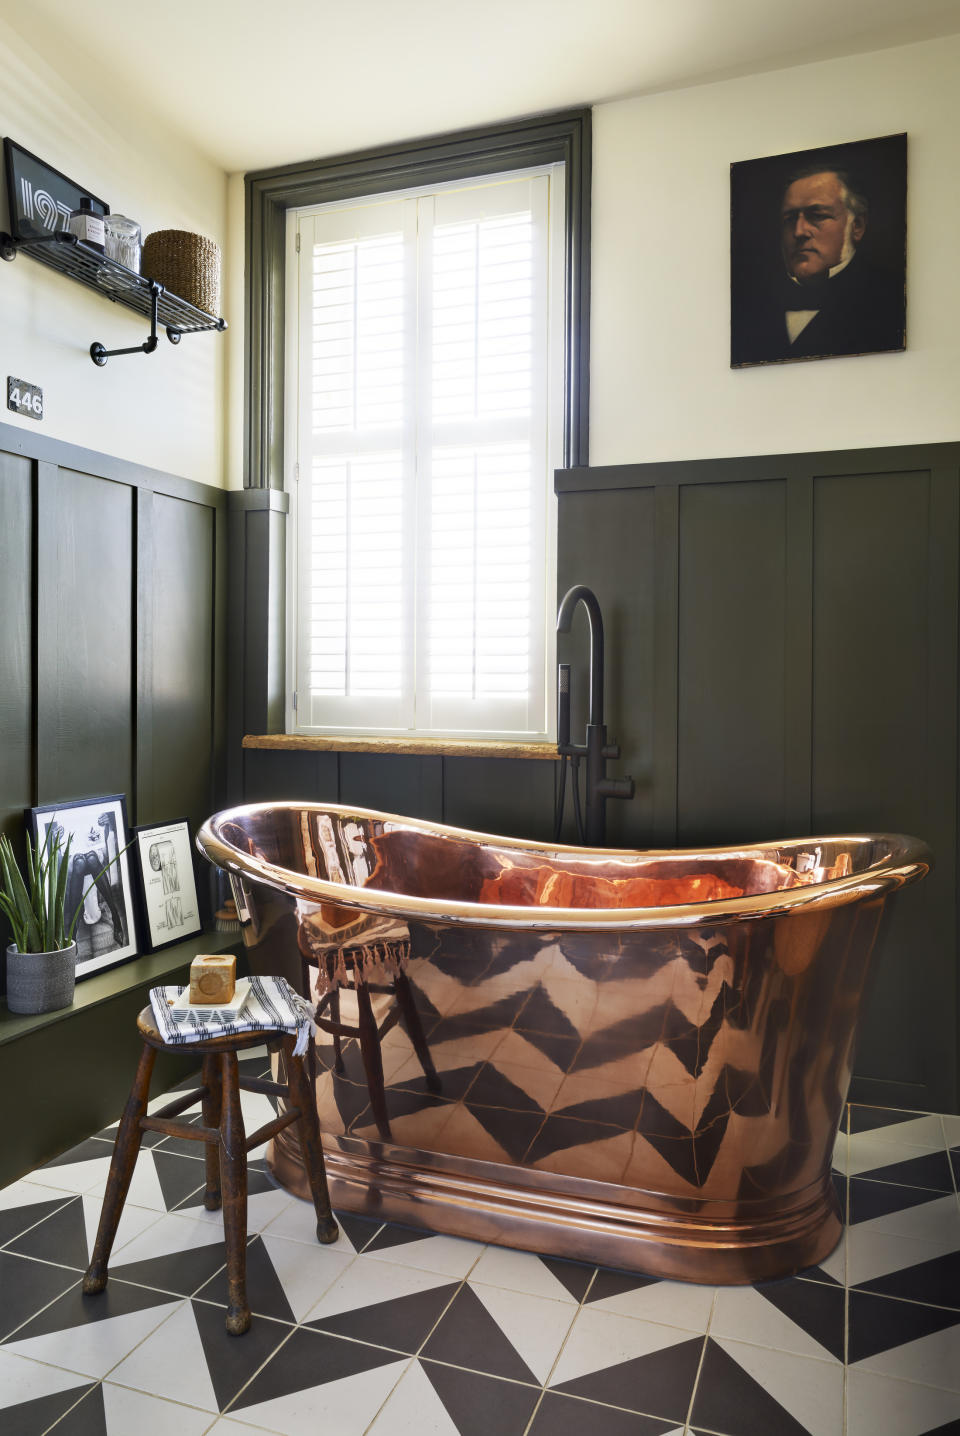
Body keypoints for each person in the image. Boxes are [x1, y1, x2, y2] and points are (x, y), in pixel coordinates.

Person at [732, 164, 905, 366]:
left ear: (856, 226)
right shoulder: (751, 305)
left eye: (817, 216)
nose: (799, 232)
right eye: (790, 219)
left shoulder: (890, 298)